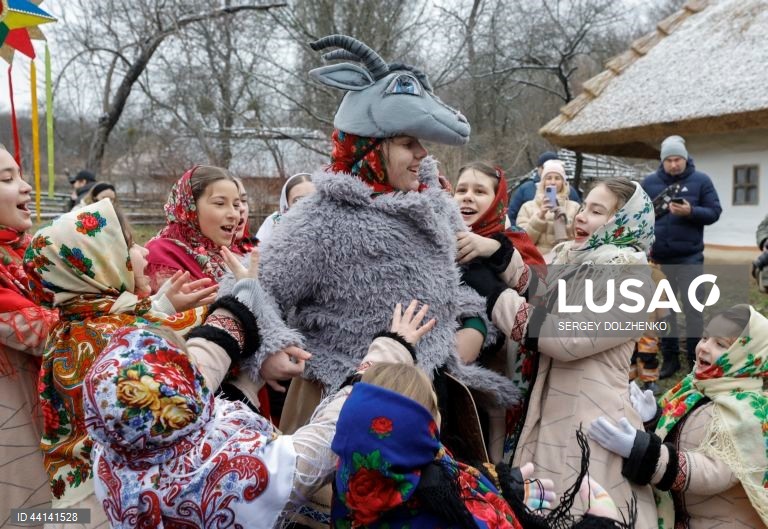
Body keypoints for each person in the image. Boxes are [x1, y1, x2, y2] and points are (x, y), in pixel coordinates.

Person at [259, 35, 516, 435]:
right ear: (370, 149)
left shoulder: (435, 206)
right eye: (406, 143)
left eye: (421, 143)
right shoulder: (321, 220)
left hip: (429, 395)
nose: (421, 155)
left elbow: (457, 290)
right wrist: (270, 347)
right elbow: (261, 293)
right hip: (343, 406)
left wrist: (471, 330)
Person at [84, 300, 430, 529]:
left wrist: (240, 326)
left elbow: (185, 382)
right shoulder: (237, 476)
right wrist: (390, 349)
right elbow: (331, 435)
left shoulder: (113, 445)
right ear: (182, 392)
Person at [463, 178, 659, 527]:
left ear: (624, 222)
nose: (581, 217)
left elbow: (566, 338)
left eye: (597, 212)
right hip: (549, 409)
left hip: (589, 425)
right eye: (584, 207)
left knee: (581, 512)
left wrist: (495, 297)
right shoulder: (574, 256)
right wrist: (500, 255)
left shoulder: (632, 275)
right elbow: (544, 291)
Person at [332, 362, 634, 529]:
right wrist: (599, 523)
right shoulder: (438, 507)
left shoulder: (350, 482)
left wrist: (504, 490)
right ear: (424, 429)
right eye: (434, 409)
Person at [588, 304, 768, 528]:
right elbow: (685, 435)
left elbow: (712, 472)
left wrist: (643, 452)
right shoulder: (697, 387)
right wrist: (654, 418)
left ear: (746, 356)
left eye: (720, 344)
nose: (704, 348)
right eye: (704, 337)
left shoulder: (750, 412)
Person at [452, 161, 544, 461]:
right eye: (461, 189)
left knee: (493, 452)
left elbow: (541, 296)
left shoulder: (514, 242)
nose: (467, 197)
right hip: (451, 374)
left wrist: (495, 252)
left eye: (480, 191)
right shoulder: (439, 237)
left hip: (501, 373)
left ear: (498, 201)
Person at [0, 145, 59, 526]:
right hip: (12, 441)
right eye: (7, 179)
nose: (26, 188)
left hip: (43, 430)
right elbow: (47, 331)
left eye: (20, 175)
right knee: (29, 519)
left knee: (65, 517)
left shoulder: (26, 257)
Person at [641, 135, 722, 379]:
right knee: (664, 311)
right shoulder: (649, 182)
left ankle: (696, 358)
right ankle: (671, 358)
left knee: (693, 308)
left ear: (685, 159)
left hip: (690, 257)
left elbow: (715, 211)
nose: (674, 164)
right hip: (659, 259)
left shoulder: (701, 181)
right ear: (662, 161)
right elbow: (640, 215)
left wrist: (691, 211)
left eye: (678, 159)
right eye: (669, 160)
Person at [145, 165, 242, 291]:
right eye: (220, 203)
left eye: (236, 205)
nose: (233, 214)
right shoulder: (161, 255)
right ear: (190, 207)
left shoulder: (237, 255)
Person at [516, 160, 580, 256]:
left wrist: (565, 221)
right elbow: (522, 241)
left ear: (563, 182)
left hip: (565, 261)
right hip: (537, 262)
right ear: (543, 182)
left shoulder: (574, 207)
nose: (553, 182)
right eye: (549, 178)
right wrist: (540, 216)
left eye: (557, 178)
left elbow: (579, 240)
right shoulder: (527, 207)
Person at [507, 152, 581, 226]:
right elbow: (512, 215)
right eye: (544, 166)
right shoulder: (525, 189)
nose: (553, 182)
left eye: (557, 178)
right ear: (538, 168)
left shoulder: (571, 193)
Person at [255, 173, 315, 245]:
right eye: (298, 200)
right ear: (286, 205)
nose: (306, 204)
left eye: (312, 198)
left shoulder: (329, 224)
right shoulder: (274, 222)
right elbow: (256, 251)